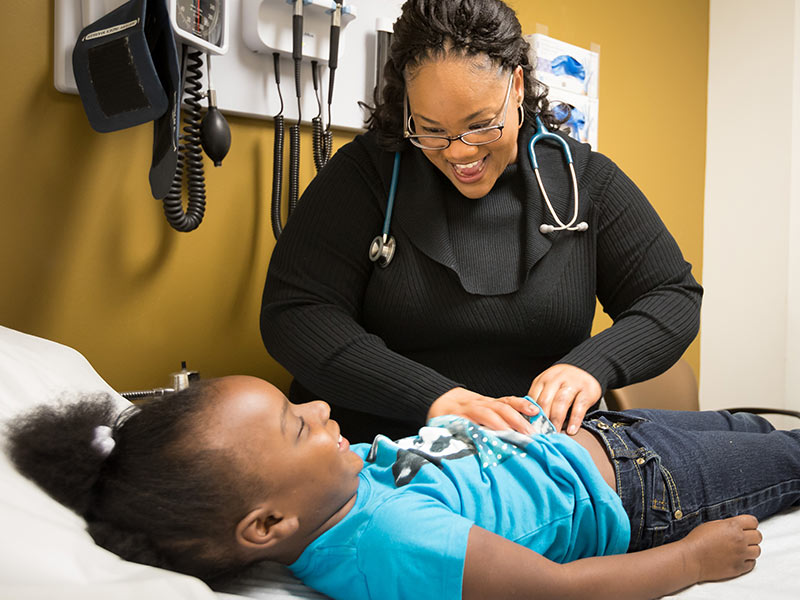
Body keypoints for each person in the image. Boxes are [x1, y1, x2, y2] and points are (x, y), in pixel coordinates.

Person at [259, 0, 703, 442]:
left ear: (516, 86)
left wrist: (594, 364)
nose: (459, 153)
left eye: (481, 125)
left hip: (531, 460)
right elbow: (295, 312)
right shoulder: (366, 175)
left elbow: (672, 296)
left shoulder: (584, 181)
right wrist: (433, 398)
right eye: (431, 129)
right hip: (385, 455)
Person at [8, 376, 800, 600]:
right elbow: (562, 588)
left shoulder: (327, 492)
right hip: (643, 492)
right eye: (297, 425)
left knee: (748, 424)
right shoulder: (389, 549)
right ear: (265, 526)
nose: (322, 411)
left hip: (601, 435)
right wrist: (693, 563)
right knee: (790, 458)